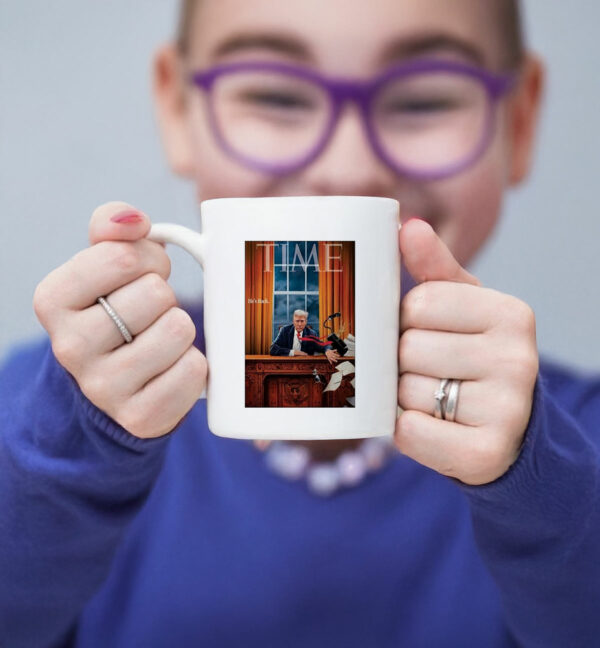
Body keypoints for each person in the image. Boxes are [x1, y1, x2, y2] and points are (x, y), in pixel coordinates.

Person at [1, 0, 599, 646]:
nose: (345, 170)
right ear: (177, 107)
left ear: (520, 120)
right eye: (277, 96)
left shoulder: (579, 449)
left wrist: (538, 484)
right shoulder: (34, 423)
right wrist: (73, 447)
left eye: (424, 101)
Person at [269, 309, 339, 364]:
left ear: (306, 322)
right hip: (286, 364)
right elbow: (273, 349)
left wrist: (327, 351)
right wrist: (293, 352)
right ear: (293, 321)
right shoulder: (285, 330)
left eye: (302, 321)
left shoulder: (311, 334)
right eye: (297, 321)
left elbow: (323, 346)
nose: (299, 324)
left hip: (306, 366)